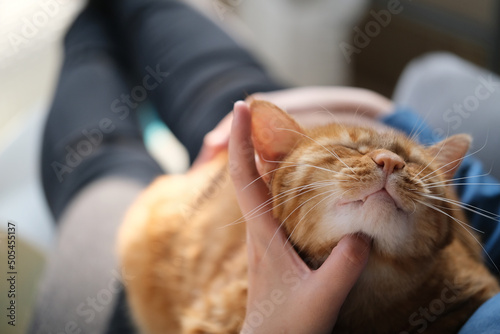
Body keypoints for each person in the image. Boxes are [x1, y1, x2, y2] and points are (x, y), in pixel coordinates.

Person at [32, 0, 499, 333]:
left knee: (97, 160)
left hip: (171, 238)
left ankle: (80, 29)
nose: (389, 162)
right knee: (212, 68)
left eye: (408, 165)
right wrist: (366, 105)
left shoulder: (460, 298)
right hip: (291, 144)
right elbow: (471, 193)